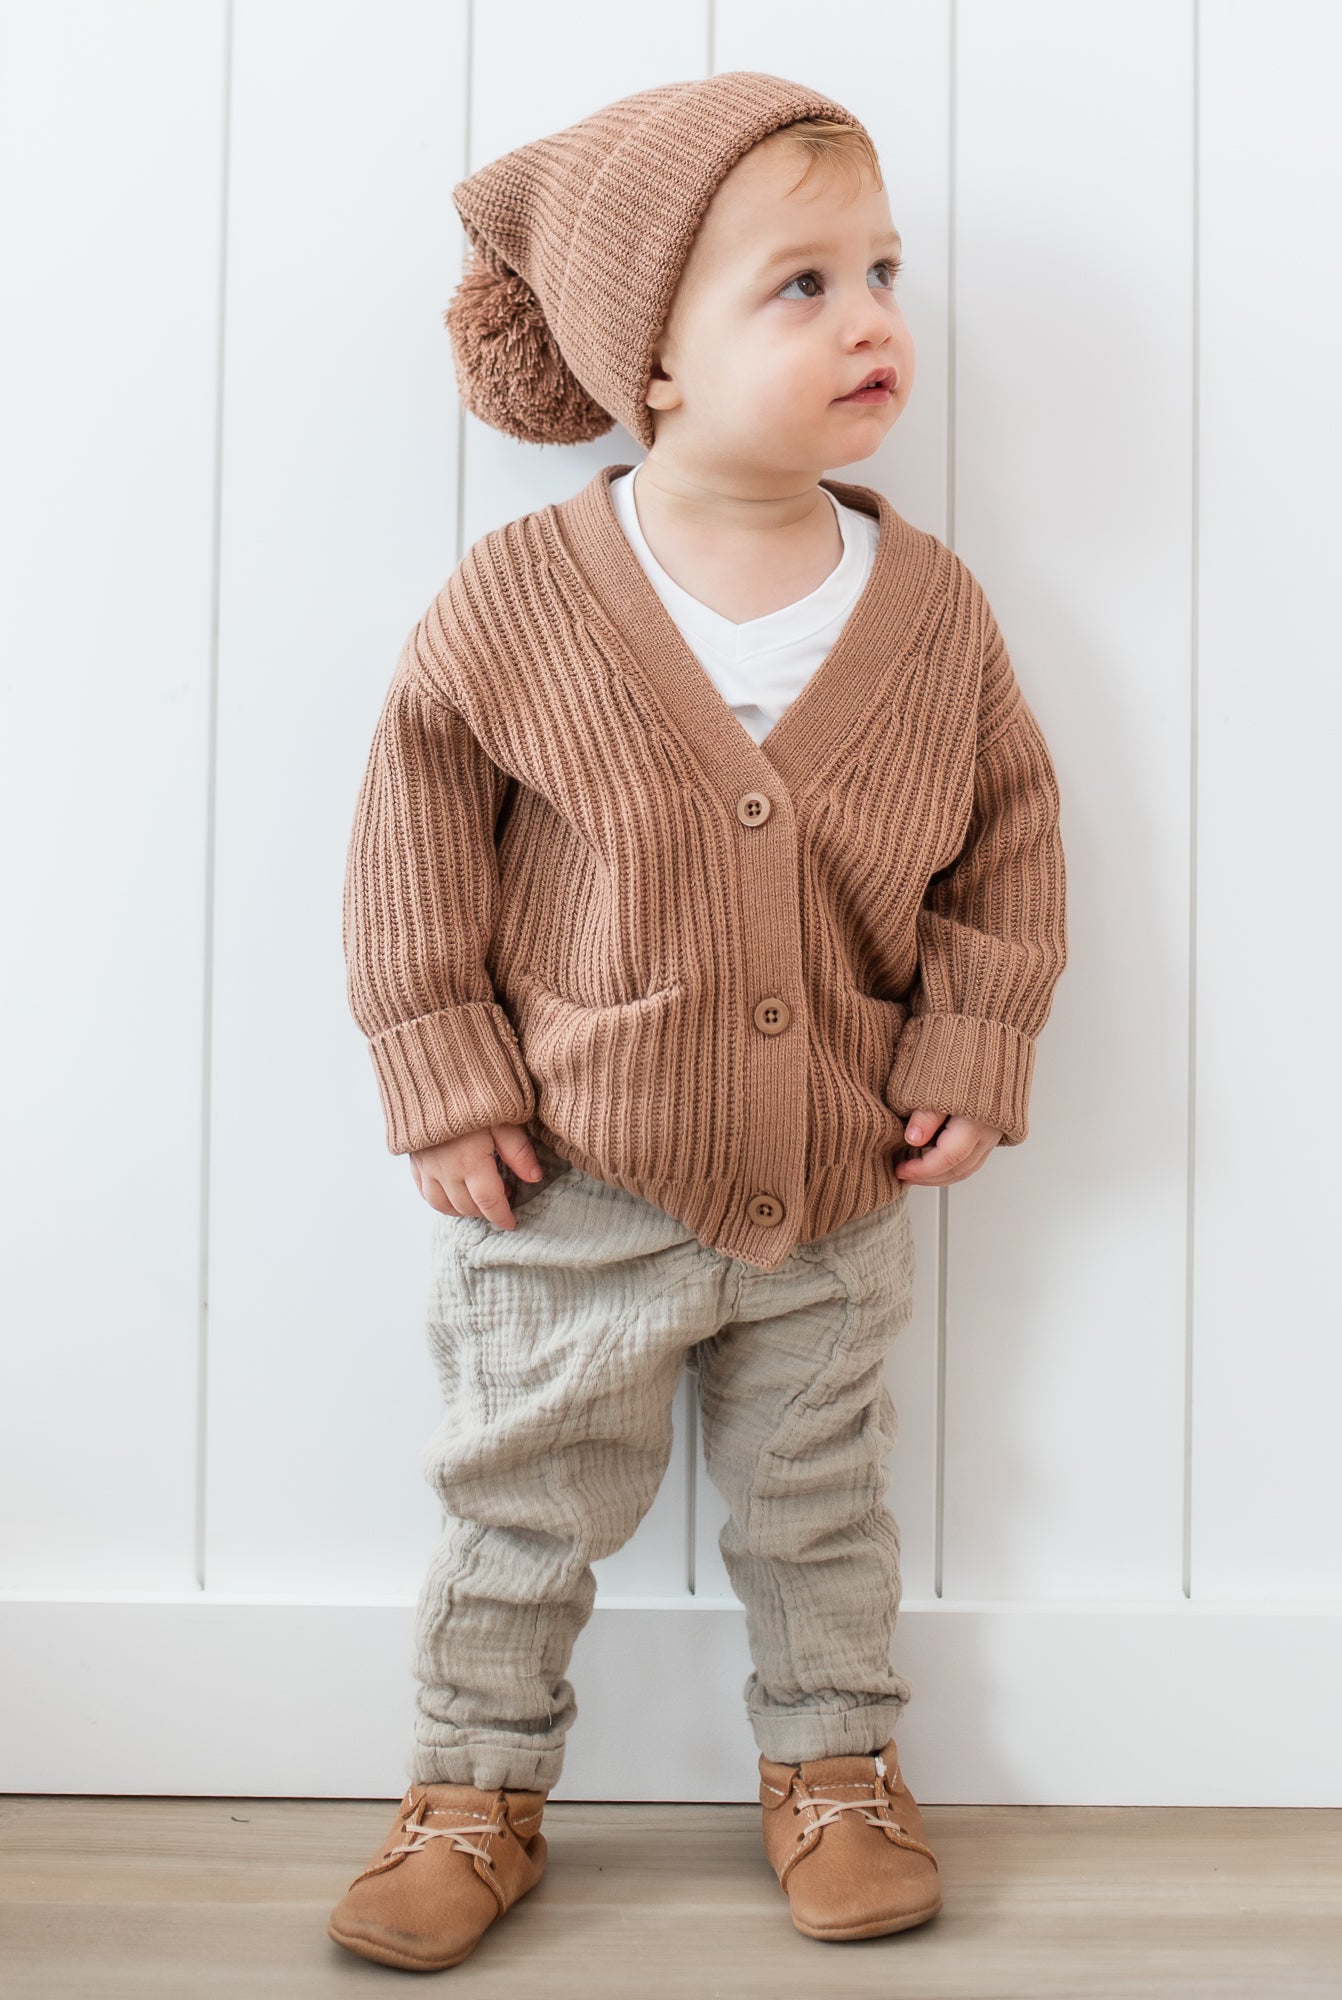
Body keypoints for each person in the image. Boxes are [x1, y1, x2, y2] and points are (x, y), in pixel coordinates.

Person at [326, 70, 1069, 1972]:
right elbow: (414, 835)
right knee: (520, 1502)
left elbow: (1007, 842)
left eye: (883, 270)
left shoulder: (931, 611)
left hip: (833, 1178)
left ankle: (837, 1767)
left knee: (820, 1507)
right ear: (647, 356)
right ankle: (472, 1787)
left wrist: (972, 1049)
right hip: (568, 1173)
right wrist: (443, 1077)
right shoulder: (523, 599)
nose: (871, 317)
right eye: (800, 284)